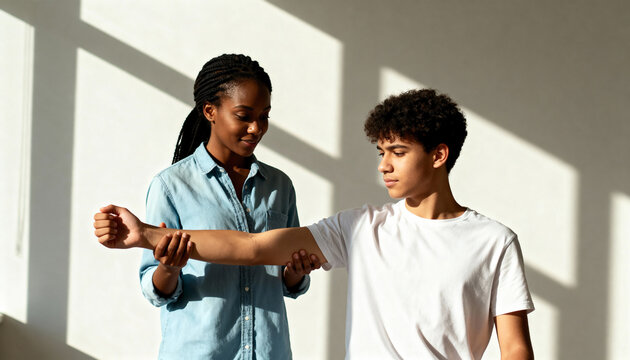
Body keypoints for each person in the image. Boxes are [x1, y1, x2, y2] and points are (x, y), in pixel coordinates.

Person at [95, 89, 535, 359]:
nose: (384, 166)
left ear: (438, 155)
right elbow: (251, 248)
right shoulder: (360, 227)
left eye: (397, 152)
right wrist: (147, 237)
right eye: (380, 152)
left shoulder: (494, 241)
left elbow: (515, 348)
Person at [136, 54, 320, 359]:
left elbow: (289, 284)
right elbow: (153, 288)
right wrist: (169, 267)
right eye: (244, 115)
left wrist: (296, 271)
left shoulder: (280, 186)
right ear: (210, 110)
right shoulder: (171, 185)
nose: (256, 128)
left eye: (264, 116)